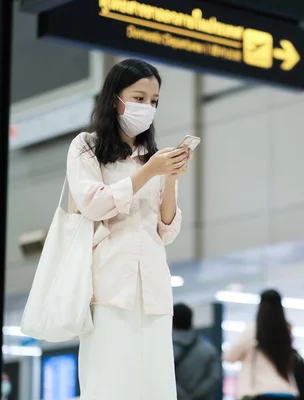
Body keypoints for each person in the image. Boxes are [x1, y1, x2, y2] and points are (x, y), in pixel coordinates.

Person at [67, 58, 191, 400]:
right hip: (108, 286)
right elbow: (94, 203)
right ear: (114, 99)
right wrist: (149, 172)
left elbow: (166, 231)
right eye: (138, 98)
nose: (147, 108)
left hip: (153, 289)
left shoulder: (152, 159)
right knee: (108, 383)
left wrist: (168, 176)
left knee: (155, 386)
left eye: (153, 102)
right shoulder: (86, 147)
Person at [223, 289, 298, 400]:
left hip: (260, 392)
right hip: (287, 392)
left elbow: (229, 357)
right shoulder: (285, 331)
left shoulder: (252, 330)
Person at [172, 303, 222, 400]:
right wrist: (194, 396)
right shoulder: (208, 349)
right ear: (192, 321)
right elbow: (214, 377)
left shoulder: (166, 351)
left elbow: (164, 378)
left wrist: (182, 396)